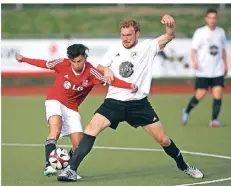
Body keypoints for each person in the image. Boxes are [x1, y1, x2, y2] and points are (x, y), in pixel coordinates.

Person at [57, 15, 204, 182]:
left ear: (137, 34)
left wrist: (170, 25)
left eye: (129, 35)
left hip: (139, 105)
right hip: (114, 102)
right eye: (123, 35)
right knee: (91, 129)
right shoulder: (113, 50)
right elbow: (99, 69)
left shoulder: (148, 47)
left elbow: (169, 36)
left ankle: (183, 165)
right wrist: (106, 70)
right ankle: (71, 169)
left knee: (163, 139)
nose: (125, 38)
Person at [15, 44, 137, 178]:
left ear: (85, 58)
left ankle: (67, 168)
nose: (76, 65)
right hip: (55, 100)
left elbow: (110, 81)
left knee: (79, 145)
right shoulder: (62, 63)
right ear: (70, 59)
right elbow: (44, 63)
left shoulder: (91, 72)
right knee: (55, 129)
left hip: (72, 108)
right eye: (73, 62)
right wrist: (23, 59)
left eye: (79, 61)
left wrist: (129, 86)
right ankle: (48, 165)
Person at [182, 8, 228, 127]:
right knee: (200, 94)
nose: (212, 20)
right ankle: (186, 111)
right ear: (206, 19)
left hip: (217, 69)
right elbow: (193, 49)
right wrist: (194, 62)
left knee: (218, 94)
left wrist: (226, 64)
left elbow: (222, 50)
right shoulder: (200, 32)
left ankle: (214, 120)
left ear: (216, 19)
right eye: (210, 18)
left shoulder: (221, 32)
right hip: (203, 70)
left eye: (214, 18)